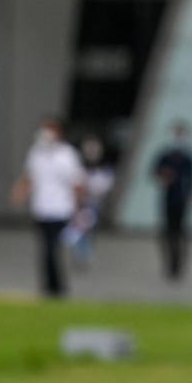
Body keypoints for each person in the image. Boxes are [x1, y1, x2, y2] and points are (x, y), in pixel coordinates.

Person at [13, 118, 85, 298]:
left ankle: (56, 286)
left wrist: (78, 209)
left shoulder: (68, 155)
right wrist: (20, 193)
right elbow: (29, 177)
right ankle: (50, 285)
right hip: (41, 208)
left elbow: (76, 183)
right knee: (45, 248)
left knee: (52, 248)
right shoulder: (36, 153)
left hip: (61, 209)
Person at [153, 121, 192, 280]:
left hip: (181, 200)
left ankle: (178, 265)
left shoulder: (188, 157)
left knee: (180, 233)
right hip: (168, 199)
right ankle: (170, 265)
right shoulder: (165, 156)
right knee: (168, 233)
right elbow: (155, 173)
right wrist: (164, 176)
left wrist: (191, 195)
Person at [64, 136, 115, 269]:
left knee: (89, 230)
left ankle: (85, 253)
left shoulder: (103, 168)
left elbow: (103, 186)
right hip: (80, 203)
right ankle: (80, 254)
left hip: (93, 203)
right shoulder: (78, 166)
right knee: (78, 229)